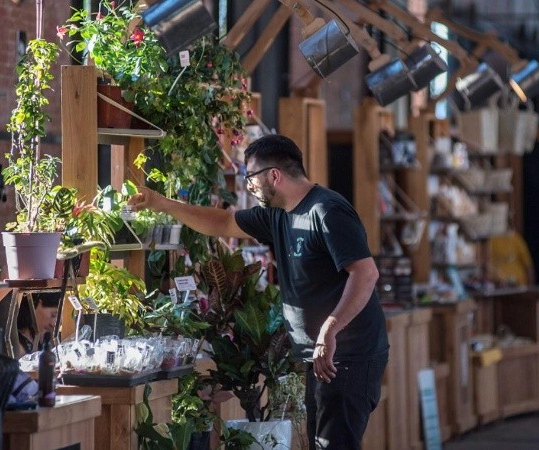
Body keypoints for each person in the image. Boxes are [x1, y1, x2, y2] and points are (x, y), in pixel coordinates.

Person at [130, 134, 389, 449]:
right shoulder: (278, 214)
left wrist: (329, 329)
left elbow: (365, 273)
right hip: (320, 354)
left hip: (350, 353)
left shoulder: (327, 210)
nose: (247, 185)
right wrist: (161, 203)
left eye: (249, 176)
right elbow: (224, 222)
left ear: (274, 175)